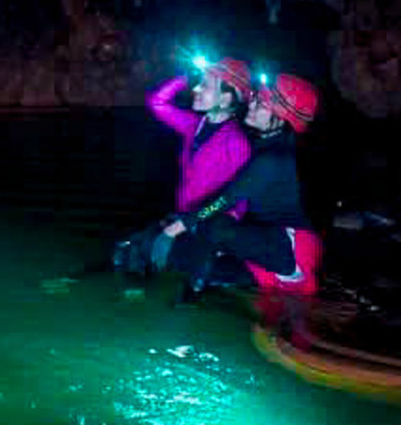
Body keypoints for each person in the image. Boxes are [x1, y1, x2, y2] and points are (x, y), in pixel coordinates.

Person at [154, 73, 322, 298]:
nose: (251, 104)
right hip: (265, 252)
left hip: (289, 249)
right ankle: (207, 276)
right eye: (254, 98)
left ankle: (193, 290)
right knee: (182, 257)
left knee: (214, 225)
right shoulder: (265, 146)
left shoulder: (272, 159)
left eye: (261, 103)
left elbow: (225, 199)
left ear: (281, 117)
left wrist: (174, 229)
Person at [111, 57, 253, 274]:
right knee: (125, 252)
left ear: (225, 99)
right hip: (182, 218)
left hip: (206, 227)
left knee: (155, 261)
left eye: (205, 85)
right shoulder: (193, 125)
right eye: (198, 83)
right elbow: (157, 103)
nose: (196, 89)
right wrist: (184, 78)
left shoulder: (236, 143)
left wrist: (209, 235)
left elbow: (239, 202)